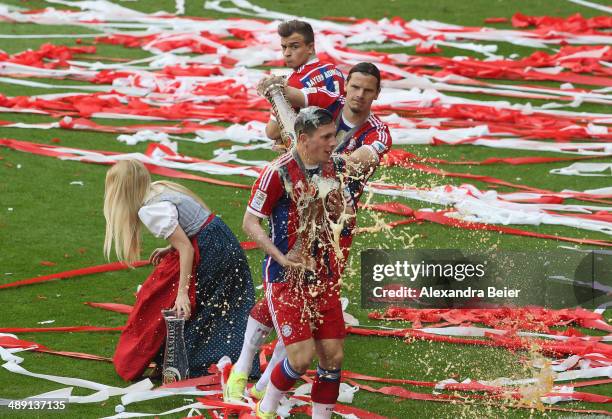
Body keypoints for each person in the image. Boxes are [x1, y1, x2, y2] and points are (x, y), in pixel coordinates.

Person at [225, 62, 391, 403]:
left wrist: (319, 159)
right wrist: (275, 91)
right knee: (286, 292)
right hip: (297, 216)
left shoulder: (378, 131)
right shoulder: (324, 104)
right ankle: (246, 372)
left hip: (335, 229)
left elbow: (360, 161)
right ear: (345, 86)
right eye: (354, 87)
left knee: (308, 305)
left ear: (377, 94)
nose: (359, 95)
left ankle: (263, 386)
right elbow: (279, 121)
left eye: (368, 89)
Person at [242, 108, 353, 419]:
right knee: (301, 359)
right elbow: (250, 222)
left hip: (324, 276)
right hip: (285, 277)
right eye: (327, 137)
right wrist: (280, 257)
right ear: (304, 139)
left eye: (335, 135)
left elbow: (337, 215)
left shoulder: (333, 168)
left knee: (333, 357)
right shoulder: (277, 173)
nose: (334, 143)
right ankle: (265, 408)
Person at [104, 159, 256, 381]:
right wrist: (170, 247)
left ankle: (192, 361)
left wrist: (182, 292)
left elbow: (186, 248)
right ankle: (184, 359)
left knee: (187, 305)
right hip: (217, 241)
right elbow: (190, 226)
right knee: (209, 303)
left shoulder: (150, 209)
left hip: (210, 249)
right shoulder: (158, 189)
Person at [265, 19, 345, 143]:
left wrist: (275, 103)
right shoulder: (334, 70)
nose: (287, 53)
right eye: (284, 47)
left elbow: (272, 132)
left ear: (310, 47)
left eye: (294, 47)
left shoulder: (294, 83)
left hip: (314, 151)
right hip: (343, 141)